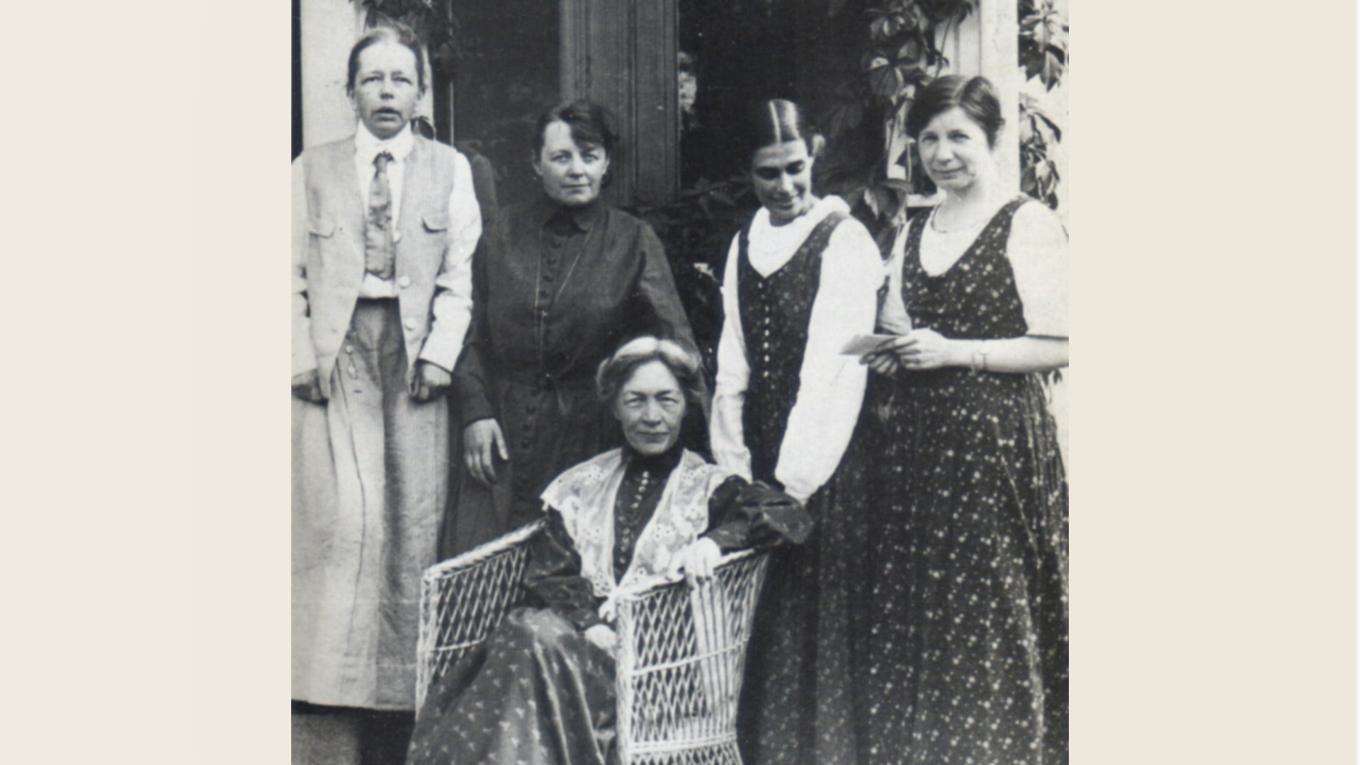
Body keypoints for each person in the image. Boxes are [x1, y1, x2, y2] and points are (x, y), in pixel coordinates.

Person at [408, 337, 812, 765]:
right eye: (635, 401)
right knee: (527, 631)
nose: (652, 417)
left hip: (659, 674)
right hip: (571, 653)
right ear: (615, 406)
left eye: (666, 400)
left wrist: (716, 541)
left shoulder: (712, 487)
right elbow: (549, 573)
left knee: (529, 635)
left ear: (687, 404)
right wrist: (590, 626)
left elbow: (791, 516)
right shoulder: (582, 484)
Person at [857, 74, 1069, 764]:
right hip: (921, 449)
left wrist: (956, 352)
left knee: (990, 614)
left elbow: (1062, 342)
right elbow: (905, 328)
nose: (943, 153)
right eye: (929, 138)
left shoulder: (1025, 222)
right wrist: (897, 353)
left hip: (995, 449)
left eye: (959, 137)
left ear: (991, 139)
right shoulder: (914, 227)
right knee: (927, 615)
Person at [291, 25, 482, 765]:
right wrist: (299, 356)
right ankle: (326, 690)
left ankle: (401, 700)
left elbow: (460, 277)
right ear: (350, 93)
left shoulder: (449, 169)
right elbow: (285, 276)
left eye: (401, 80)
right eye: (372, 81)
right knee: (341, 521)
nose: (387, 95)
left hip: (413, 359)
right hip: (336, 358)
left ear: (420, 91)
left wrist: (438, 354)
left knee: (411, 517)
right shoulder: (311, 167)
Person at [444, 99, 700, 557]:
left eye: (590, 155)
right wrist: (476, 412)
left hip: (593, 439)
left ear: (606, 163)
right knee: (484, 572)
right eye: (561, 157)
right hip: (501, 435)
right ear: (536, 164)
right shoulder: (501, 234)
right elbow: (470, 331)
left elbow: (675, 348)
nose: (577, 169)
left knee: (574, 572)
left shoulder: (632, 239)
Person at [709, 99, 885, 764]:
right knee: (767, 619)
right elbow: (732, 360)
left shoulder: (845, 239)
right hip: (759, 451)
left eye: (795, 169)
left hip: (826, 458)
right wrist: (735, 469)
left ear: (815, 154)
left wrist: (794, 482)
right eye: (767, 174)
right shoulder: (743, 241)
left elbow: (833, 372)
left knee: (817, 621)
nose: (784, 187)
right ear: (748, 174)